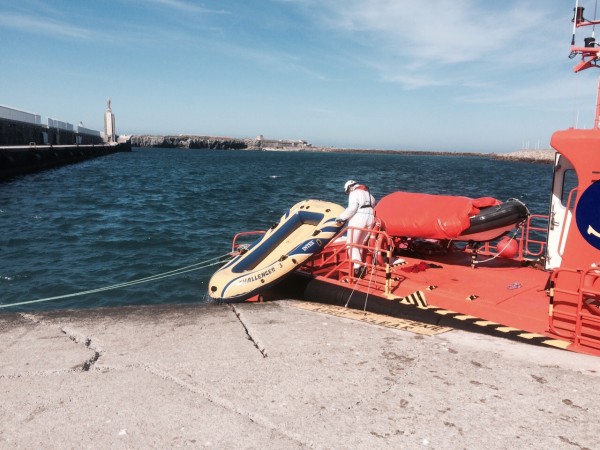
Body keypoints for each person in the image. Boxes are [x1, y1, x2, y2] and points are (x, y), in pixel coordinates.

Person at [336, 180, 376, 278]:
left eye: (347, 191)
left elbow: (352, 208)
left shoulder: (354, 193)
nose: (348, 193)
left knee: (351, 245)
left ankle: (358, 267)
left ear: (350, 187)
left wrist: (341, 217)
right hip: (371, 219)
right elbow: (373, 205)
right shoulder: (369, 195)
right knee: (360, 245)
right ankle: (361, 269)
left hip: (359, 219)